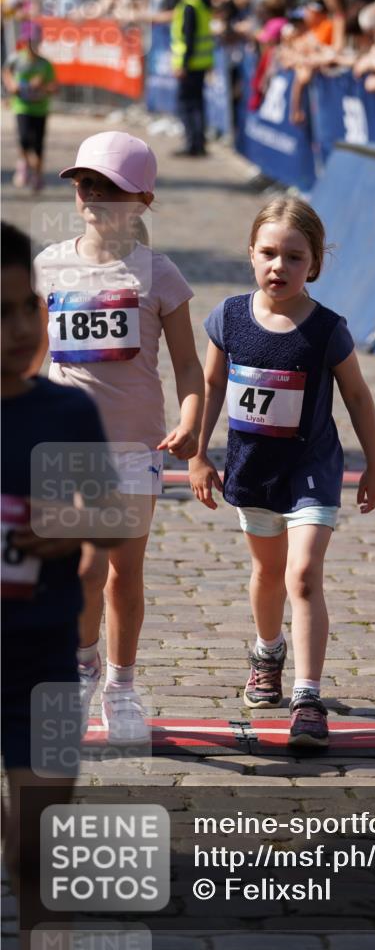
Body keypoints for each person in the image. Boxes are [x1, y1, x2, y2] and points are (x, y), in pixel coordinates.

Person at [189, 197, 375, 747]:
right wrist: (199, 454)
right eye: (269, 254)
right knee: (268, 574)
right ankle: (267, 650)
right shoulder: (227, 318)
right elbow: (208, 388)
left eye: (294, 257)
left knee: (302, 575)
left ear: (315, 264)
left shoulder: (327, 329)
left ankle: (308, 696)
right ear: (251, 255)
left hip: (312, 470)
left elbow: (358, 397)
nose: (280, 266)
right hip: (253, 470)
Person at [34, 131, 204, 743]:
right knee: (82, 570)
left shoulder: (160, 274)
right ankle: (82, 668)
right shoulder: (49, 264)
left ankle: (123, 685)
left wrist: (191, 418)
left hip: (135, 446)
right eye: (86, 184)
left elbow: (188, 364)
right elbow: (30, 352)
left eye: (109, 187)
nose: (94, 196)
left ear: (143, 199)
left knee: (123, 572)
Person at [1, 222, 124, 938]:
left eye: (28, 306)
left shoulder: (64, 411)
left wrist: (64, 529)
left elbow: (111, 517)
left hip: (43, 666)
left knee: (36, 855)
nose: (21, 328)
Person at [2, 21, 57, 192]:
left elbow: (54, 87)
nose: (30, 45)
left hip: (40, 108)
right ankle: (24, 165)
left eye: (34, 41)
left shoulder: (45, 64)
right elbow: (6, 72)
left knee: (38, 144)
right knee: (24, 139)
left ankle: (38, 176)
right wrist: (11, 85)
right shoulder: (16, 58)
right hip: (22, 107)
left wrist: (40, 86)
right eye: (28, 41)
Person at [170, 0, 214, 156]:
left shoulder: (189, 4)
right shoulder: (201, 2)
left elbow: (189, 37)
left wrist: (183, 65)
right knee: (197, 104)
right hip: (201, 62)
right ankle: (198, 142)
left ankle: (192, 144)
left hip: (191, 64)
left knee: (187, 105)